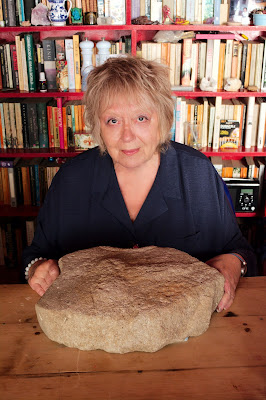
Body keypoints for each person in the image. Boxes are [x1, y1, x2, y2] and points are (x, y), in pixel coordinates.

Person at [23, 56, 256, 312]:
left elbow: (238, 249)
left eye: (141, 118)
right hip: (92, 329)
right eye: (113, 120)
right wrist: (37, 268)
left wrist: (234, 264)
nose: (127, 136)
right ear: (98, 127)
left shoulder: (197, 173)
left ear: (164, 120)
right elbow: (36, 254)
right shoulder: (71, 180)